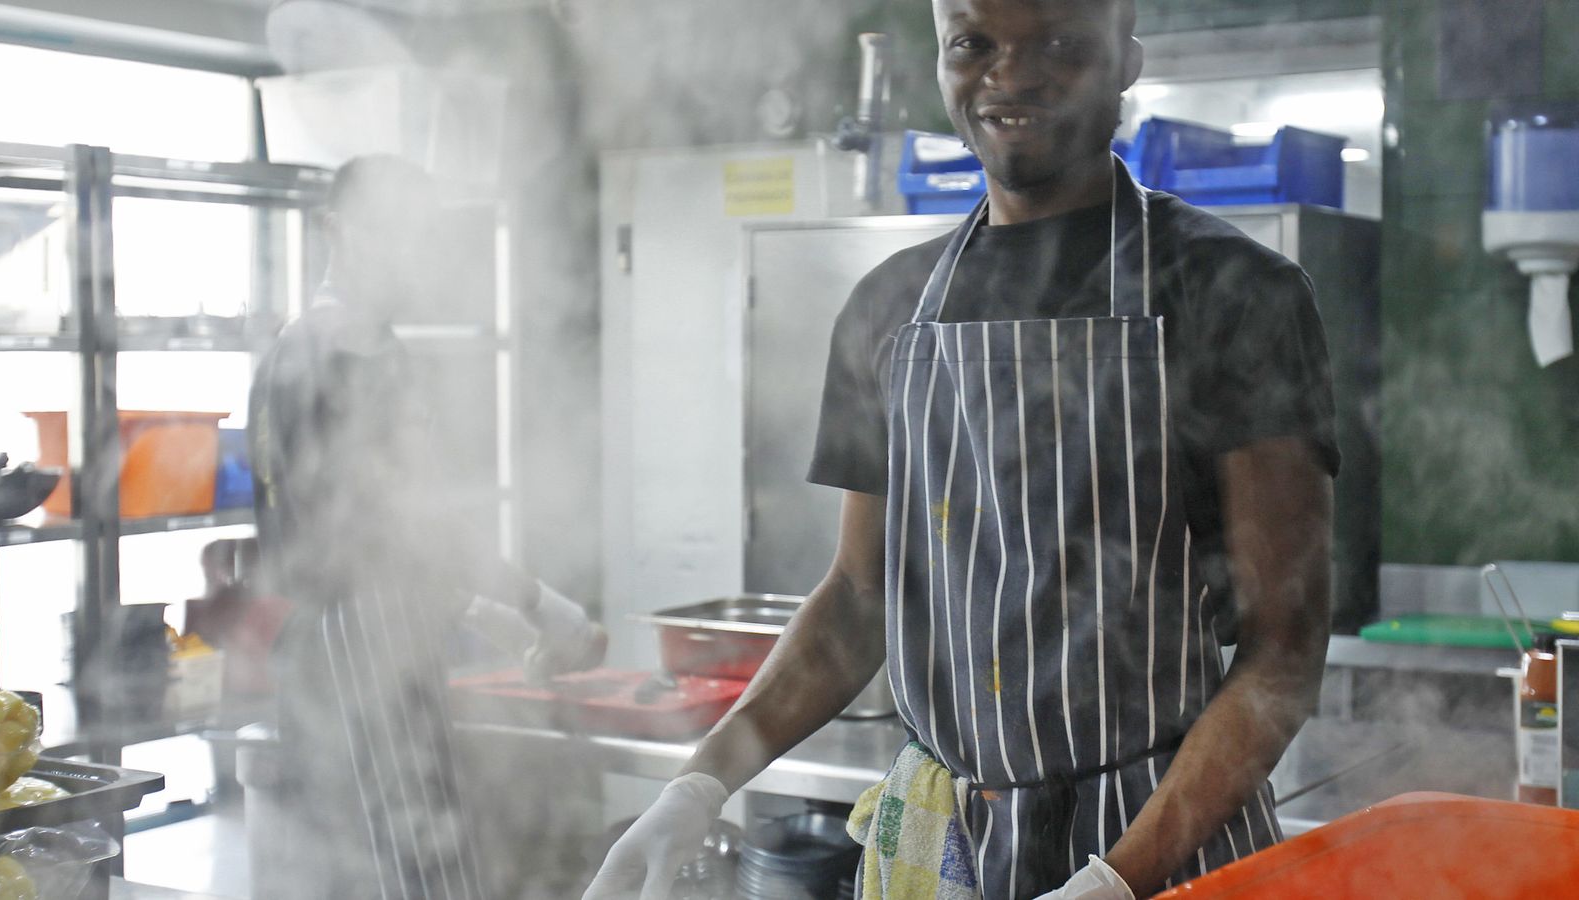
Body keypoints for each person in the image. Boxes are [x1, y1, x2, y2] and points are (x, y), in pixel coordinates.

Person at [586, 0, 1337, 897]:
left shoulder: (1236, 292)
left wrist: (1114, 881)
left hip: (1166, 849)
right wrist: (698, 785)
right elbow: (859, 598)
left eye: (1060, 45)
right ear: (941, 61)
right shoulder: (889, 309)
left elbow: (1284, 651)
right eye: (974, 43)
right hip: (942, 850)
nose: (1010, 76)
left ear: (1126, 62)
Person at [250, 155, 606, 900]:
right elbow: (402, 525)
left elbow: (393, 537)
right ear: (334, 229)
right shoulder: (326, 356)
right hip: (352, 663)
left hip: (384, 649)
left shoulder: (373, 352)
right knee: (408, 878)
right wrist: (539, 605)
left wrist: (475, 610)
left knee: (415, 870)